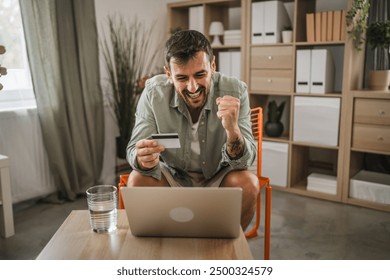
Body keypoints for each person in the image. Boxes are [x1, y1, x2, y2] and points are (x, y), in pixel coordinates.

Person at [126, 30, 259, 230]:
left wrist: (233, 131)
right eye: (182, 78)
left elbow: (246, 161)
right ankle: (167, 249)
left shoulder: (235, 91)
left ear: (212, 67)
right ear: (169, 74)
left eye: (200, 74)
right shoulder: (153, 93)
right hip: (173, 176)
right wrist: (142, 159)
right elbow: (133, 151)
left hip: (219, 177)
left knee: (248, 183)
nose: (192, 87)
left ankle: (221, 250)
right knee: (136, 179)